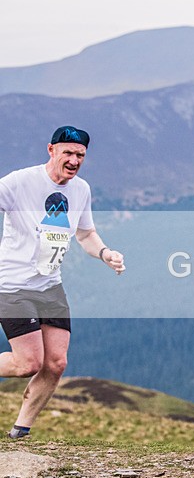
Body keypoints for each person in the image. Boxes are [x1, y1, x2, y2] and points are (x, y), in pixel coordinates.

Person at [0, 126, 125, 439]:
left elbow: (85, 234)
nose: (74, 160)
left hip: (50, 285)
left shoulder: (80, 189)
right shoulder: (20, 182)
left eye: (80, 155)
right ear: (51, 150)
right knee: (28, 363)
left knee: (55, 363)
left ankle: (21, 430)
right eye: (68, 152)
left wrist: (106, 253)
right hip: (13, 285)